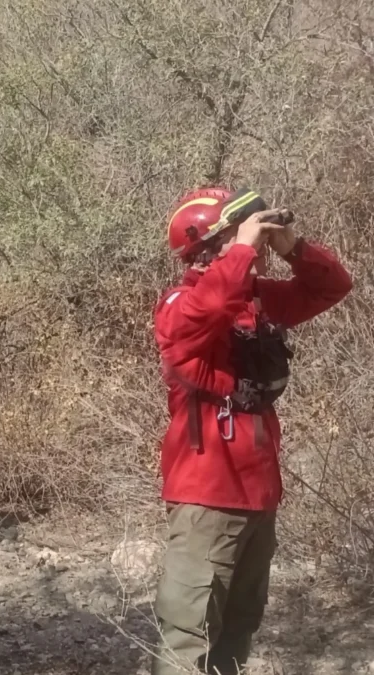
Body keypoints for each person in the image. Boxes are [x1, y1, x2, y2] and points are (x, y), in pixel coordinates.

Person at [152, 188, 352, 675]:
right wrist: (240, 250)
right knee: (188, 634)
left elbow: (331, 287)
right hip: (207, 498)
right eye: (237, 236)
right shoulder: (180, 304)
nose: (254, 248)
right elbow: (202, 314)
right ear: (207, 247)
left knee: (239, 627)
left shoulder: (255, 301)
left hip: (258, 496)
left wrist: (293, 248)